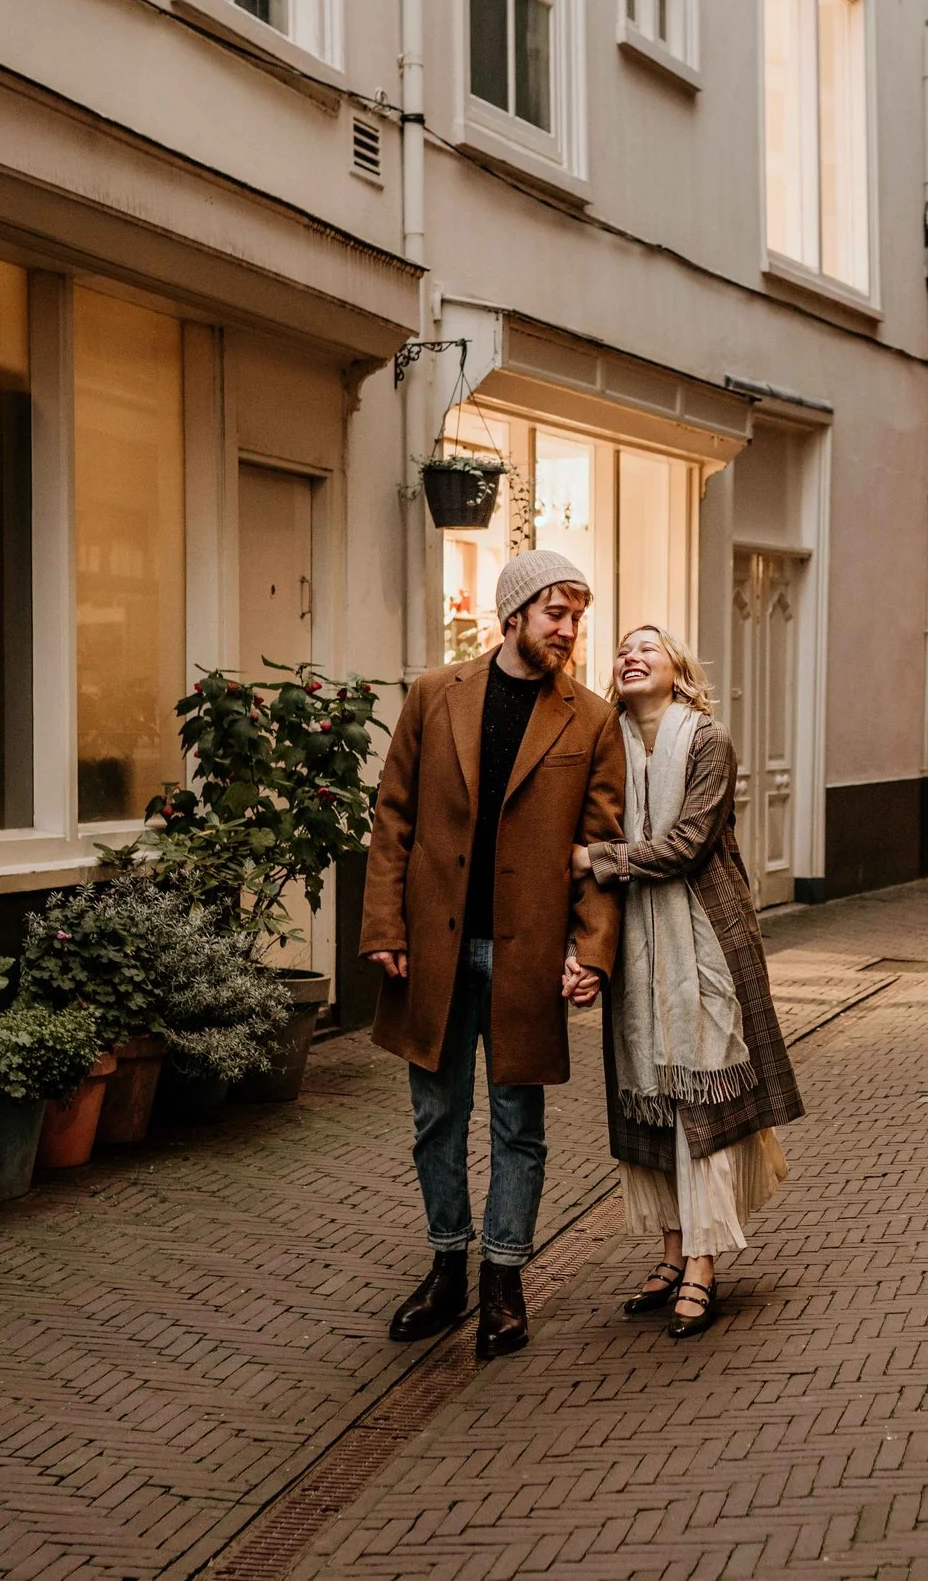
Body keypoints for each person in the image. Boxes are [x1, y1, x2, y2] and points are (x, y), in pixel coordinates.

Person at [359, 551, 626, 1359]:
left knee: (519, 1124)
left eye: (577, 616)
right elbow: (394, 815)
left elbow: (602, 845)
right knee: (436, 1116)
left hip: (527, 956)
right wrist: (384, 927)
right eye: (556, 612)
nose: (569, 630)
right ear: (513, 615)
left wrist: (593, 951)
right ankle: (447, 1265)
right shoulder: (434, 693)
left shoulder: (592, 720)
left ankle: (503, 1278)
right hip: (434, 952)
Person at [574, 626, 802, 1338]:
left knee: (701, 1088)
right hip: (635, 948)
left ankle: (703, 1260)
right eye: (623, 648)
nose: (631, 655)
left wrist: (598, 859)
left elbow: (688, 844)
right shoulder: (604, 743)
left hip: (705, 939)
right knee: (651, 1091)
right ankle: (672, 1250)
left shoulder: (708, 740)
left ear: (678, 670)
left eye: (649, 646)